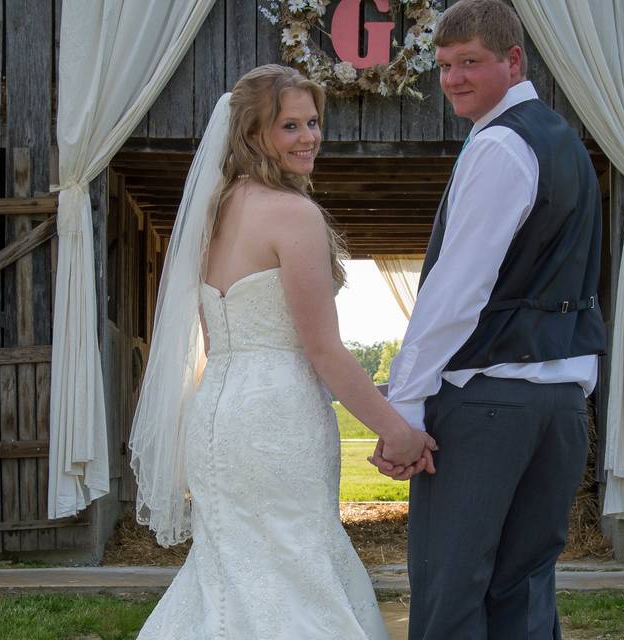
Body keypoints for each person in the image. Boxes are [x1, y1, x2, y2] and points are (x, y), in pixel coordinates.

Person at [129, 64, 436, 640]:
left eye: (313, 122)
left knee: (231, 564)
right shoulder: (294, 214)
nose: (309, 137)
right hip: (277, 414)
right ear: (251, 134)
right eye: (289, 126)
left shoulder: (210, 217)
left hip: (216, 411)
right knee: (296, 557)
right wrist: (397, 431)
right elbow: (323, 349)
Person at [369, 1, 607, 638]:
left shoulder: (500, 144)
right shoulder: (565, 144)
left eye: (469, 62)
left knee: (452, 592)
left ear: (513, 60)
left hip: (487, 406)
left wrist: (407, 406)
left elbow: (455, 292)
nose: (452, 79)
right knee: (523, 595)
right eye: (444, 65)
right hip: (560, 408)